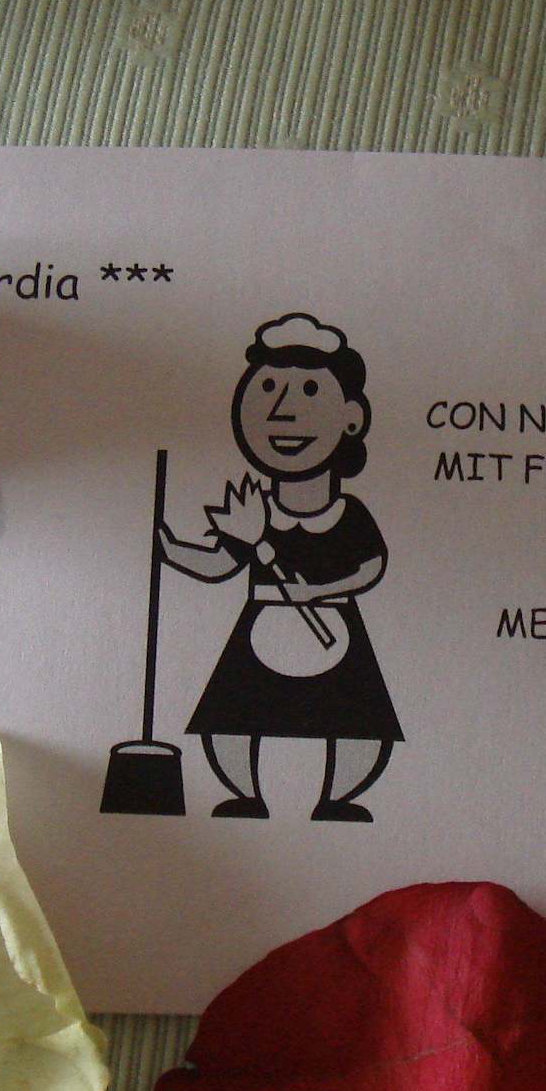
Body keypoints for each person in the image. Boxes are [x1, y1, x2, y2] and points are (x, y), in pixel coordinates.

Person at [158, 313, 402, 821]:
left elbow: (372, 566)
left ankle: (339, 799)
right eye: (267, 389)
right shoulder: (255, 512)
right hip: (262, 619)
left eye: (310, 391)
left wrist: (320, 591)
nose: (284, 411)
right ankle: (246, 794)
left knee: (359, 722)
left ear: (351, 417)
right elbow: (220, 563)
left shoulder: (348, 513)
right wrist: (170, 550)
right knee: (230, 716)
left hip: (334, 622)